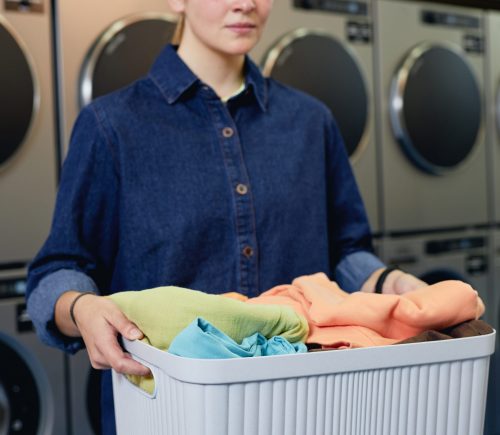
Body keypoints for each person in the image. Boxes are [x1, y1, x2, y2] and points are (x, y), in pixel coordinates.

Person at [26, 0, 426, 433]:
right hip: (167, 410)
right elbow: (59, 269)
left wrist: (390, 282)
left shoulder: (310, 122)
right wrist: (82, 307)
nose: (246, 4)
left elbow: (346, 251)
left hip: (303, 404)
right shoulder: (112, 125)